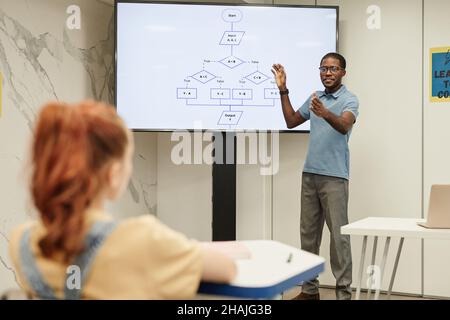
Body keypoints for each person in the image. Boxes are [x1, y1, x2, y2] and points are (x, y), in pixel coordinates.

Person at [8, 100, 237, 299]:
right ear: (113, 174)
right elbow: (228, 269)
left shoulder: (21, 242)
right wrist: (186, 248)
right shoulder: (143, 239)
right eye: (129, 160)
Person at [272, 53, 359, 300]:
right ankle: (309, 291)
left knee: (339, 238)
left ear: (343, 72)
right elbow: (291, 121)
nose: (327, 73)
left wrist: (324, 113)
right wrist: (283, 90)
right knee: (308, 236)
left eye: (333, 68)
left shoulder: (349, 100)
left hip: (335, 177)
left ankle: (343, 294)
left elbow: (344, 125)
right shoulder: (316, 98)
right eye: (324, 68)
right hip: (310, 175)